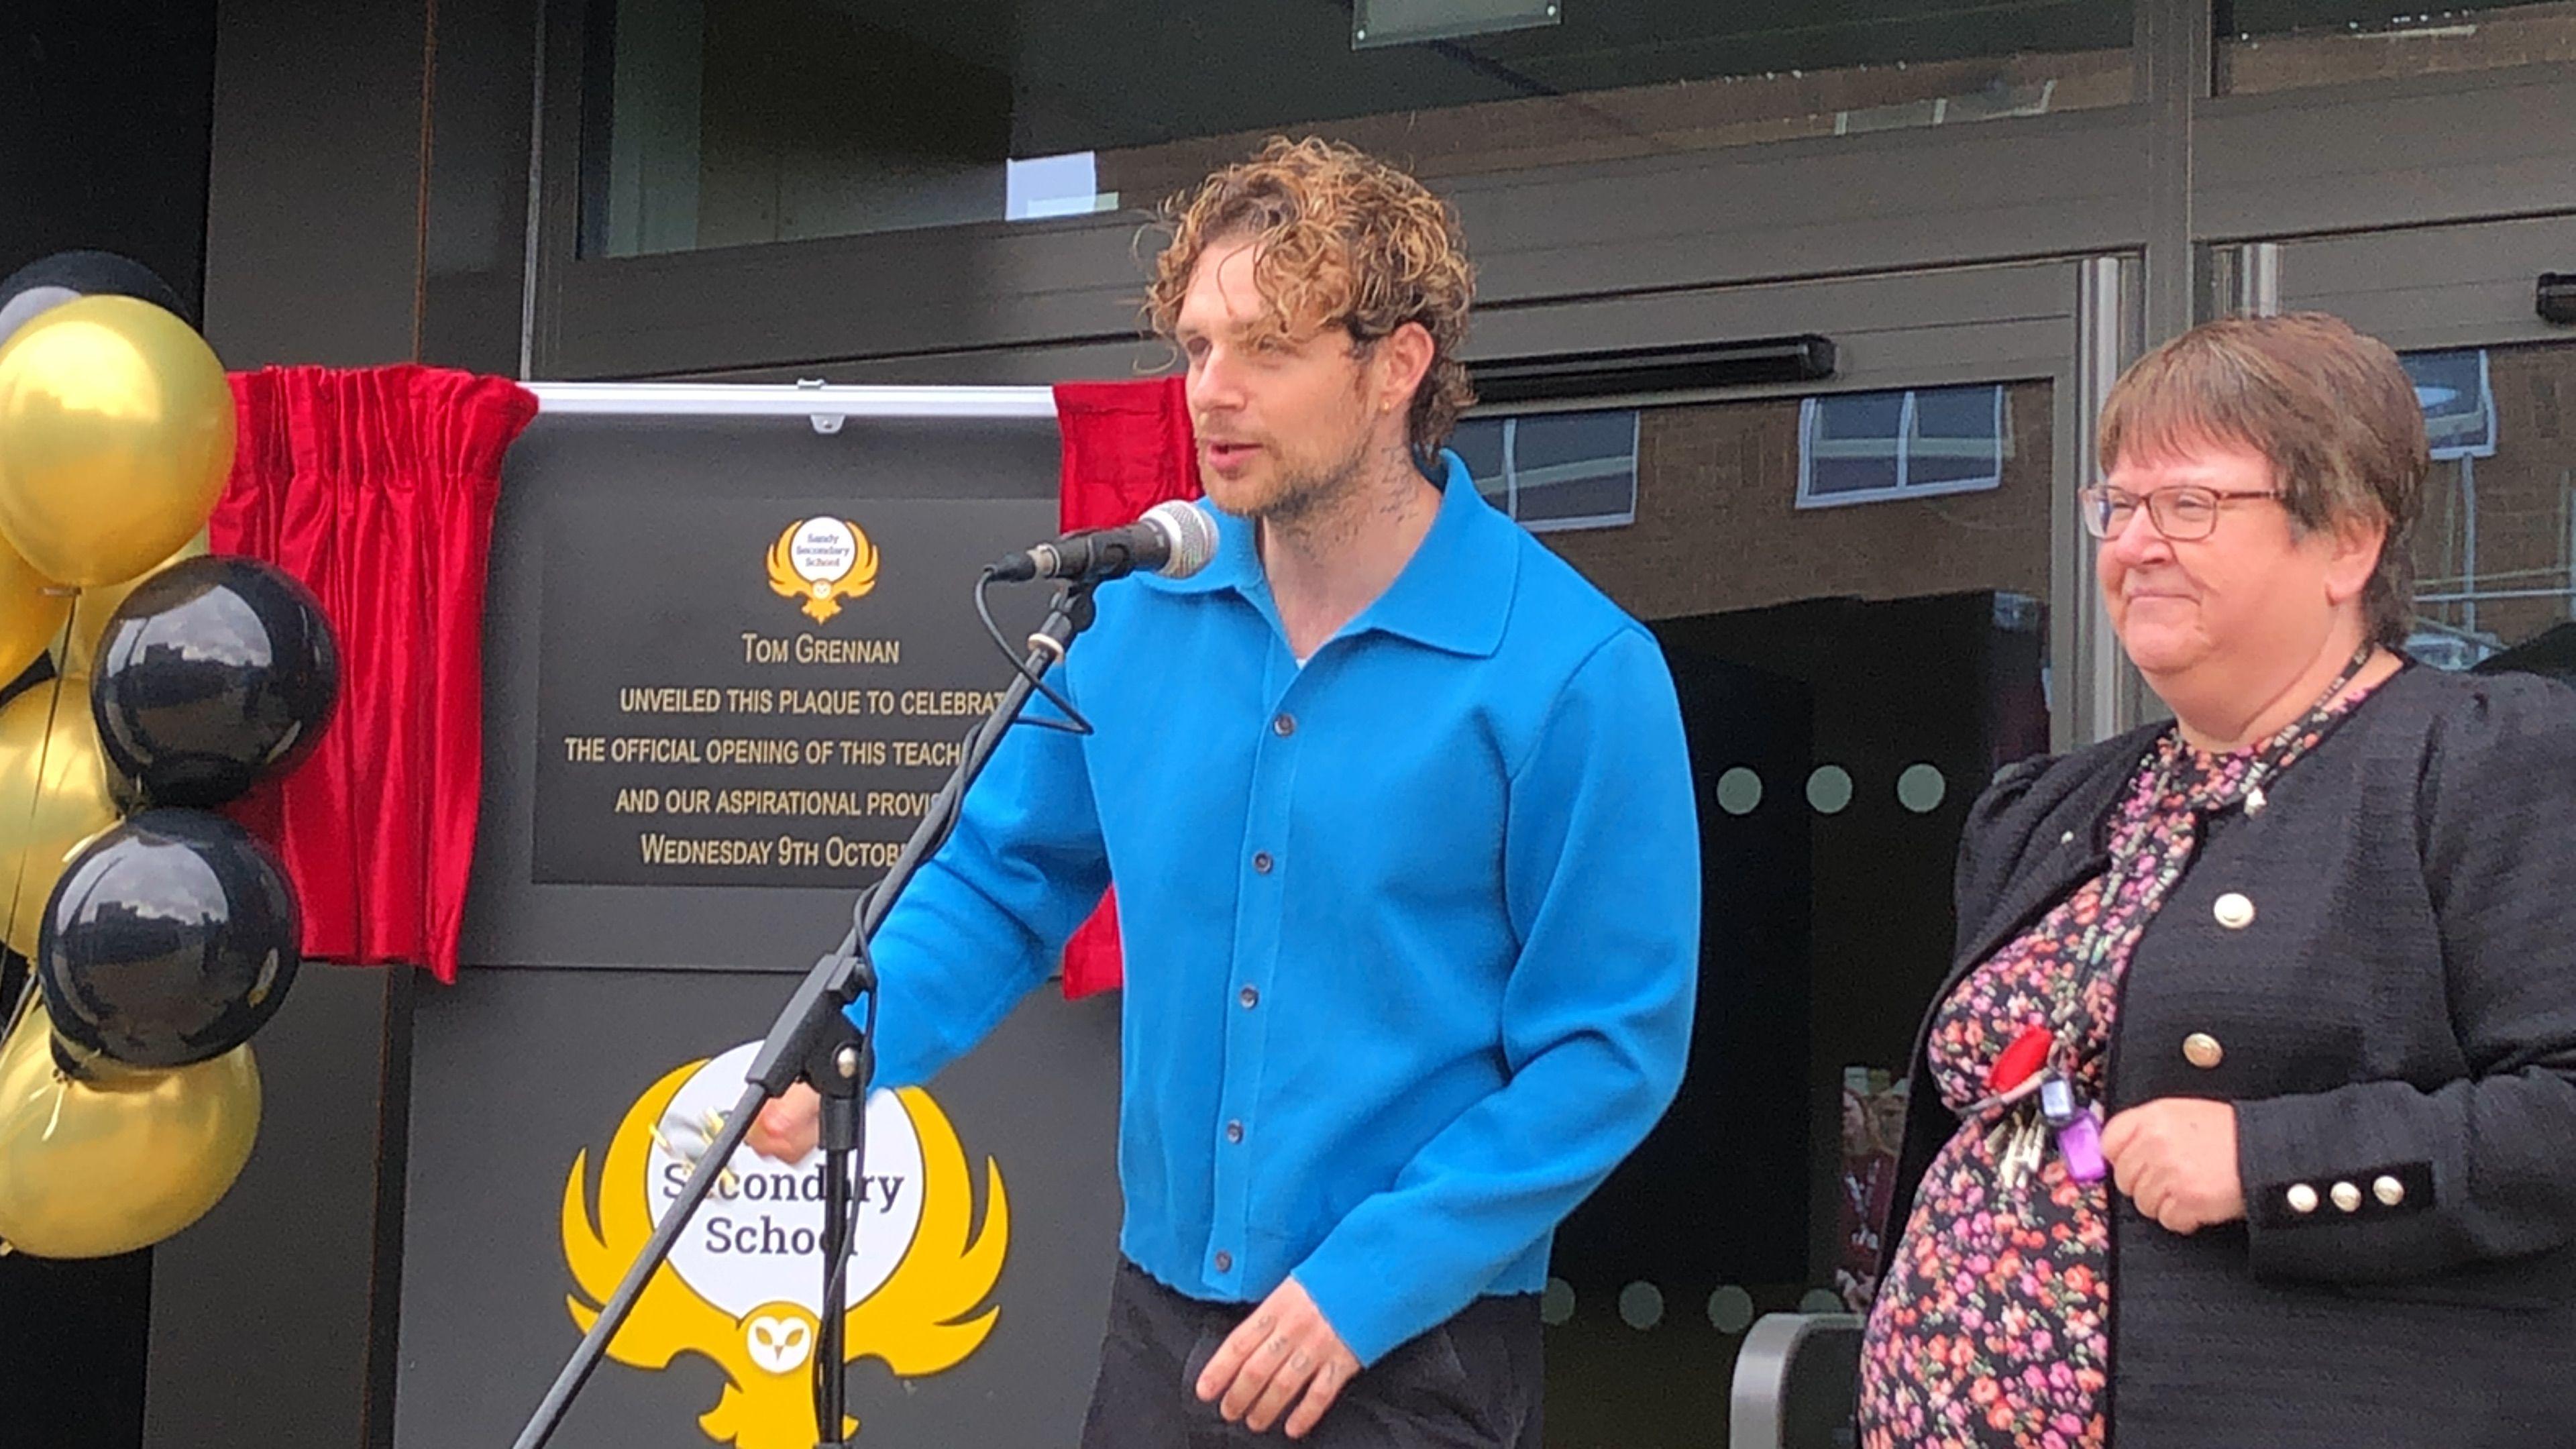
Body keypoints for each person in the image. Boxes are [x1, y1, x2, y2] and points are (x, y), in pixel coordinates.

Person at [749, 137, 1701, 1446]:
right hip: (1160, 1335)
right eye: (1196, 347)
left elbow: (1605, 1050)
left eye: (1266, 348)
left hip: (1411, 1354)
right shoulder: (1132, 625)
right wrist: (852, 1045)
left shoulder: (1574, 672)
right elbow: (1001, 882)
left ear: (1397, 366)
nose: (1213, 392)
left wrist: (1364, 1287)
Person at [1858, 312, 2576, 1448]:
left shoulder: (2490, 759)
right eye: (2118, 504)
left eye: (2189, 505)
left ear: (2347, 540)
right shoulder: (2044, 810)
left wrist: (2269, 1160)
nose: (2136, 542)